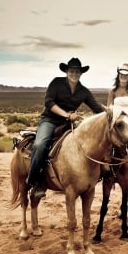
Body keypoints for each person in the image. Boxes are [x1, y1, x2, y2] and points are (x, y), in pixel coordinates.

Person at [26, 57, 104, 198]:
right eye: (72, 71)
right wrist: (66, 115)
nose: (74, 74)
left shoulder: (83, 91)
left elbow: (96, 107)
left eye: (77, 71)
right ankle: (34, 181)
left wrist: (113, 114)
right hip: (50, 120)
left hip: (68, 125)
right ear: (67, 71)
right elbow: (49, 102)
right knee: (40, 144)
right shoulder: (56, 83)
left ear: (81, 73)